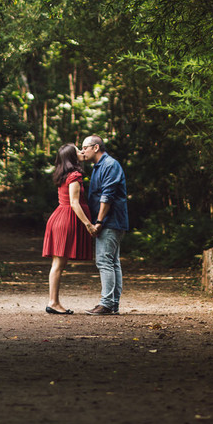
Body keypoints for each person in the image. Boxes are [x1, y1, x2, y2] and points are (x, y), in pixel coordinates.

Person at [42, 143, 96, 315]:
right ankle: (53, 302)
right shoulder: (74, 176)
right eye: (78, 150)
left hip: (59, 218)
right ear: (72, 157)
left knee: (57, 264)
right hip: (65, 220)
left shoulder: (64, 174)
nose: (81, 152)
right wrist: (88, 224)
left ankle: (54, 301)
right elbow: (74, 203)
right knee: (58, 264)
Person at [79, 135, 128, 315]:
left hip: (111, 220)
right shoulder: (98, 166)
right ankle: (112, 304)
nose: (82, 151)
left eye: (85, 147)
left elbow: (107, 196)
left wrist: (99, 221)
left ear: (96, 147)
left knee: (104, 261)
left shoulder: (109, 165)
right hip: (110, 220)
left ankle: (106, 303)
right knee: (112, 262)